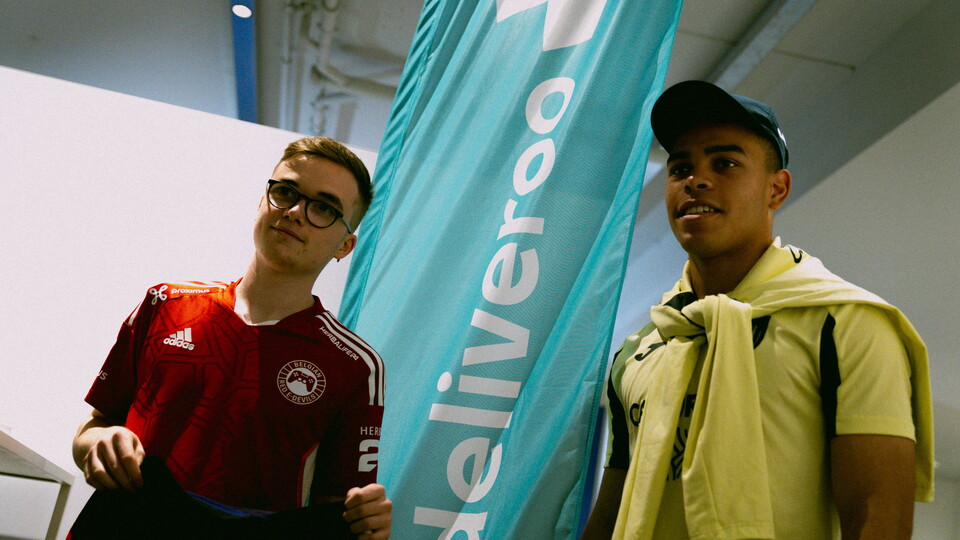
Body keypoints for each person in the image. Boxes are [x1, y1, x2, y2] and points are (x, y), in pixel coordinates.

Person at [582, 81, 933, 539]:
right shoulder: (642, 348)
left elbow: (876, 515)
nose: (695, 180)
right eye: (680, 168)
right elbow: (610, 516)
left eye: (724, 163)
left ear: (776, 189)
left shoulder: (846, 324)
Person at [71, 137, 391, 539]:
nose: (295, 212)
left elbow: (342, 513)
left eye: (324, 208)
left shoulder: (355, 366)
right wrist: (99, 442)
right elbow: (92, 428)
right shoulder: (165, 303)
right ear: (262, 201)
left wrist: (368, 524)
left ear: (345, 245)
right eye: (286, 191)